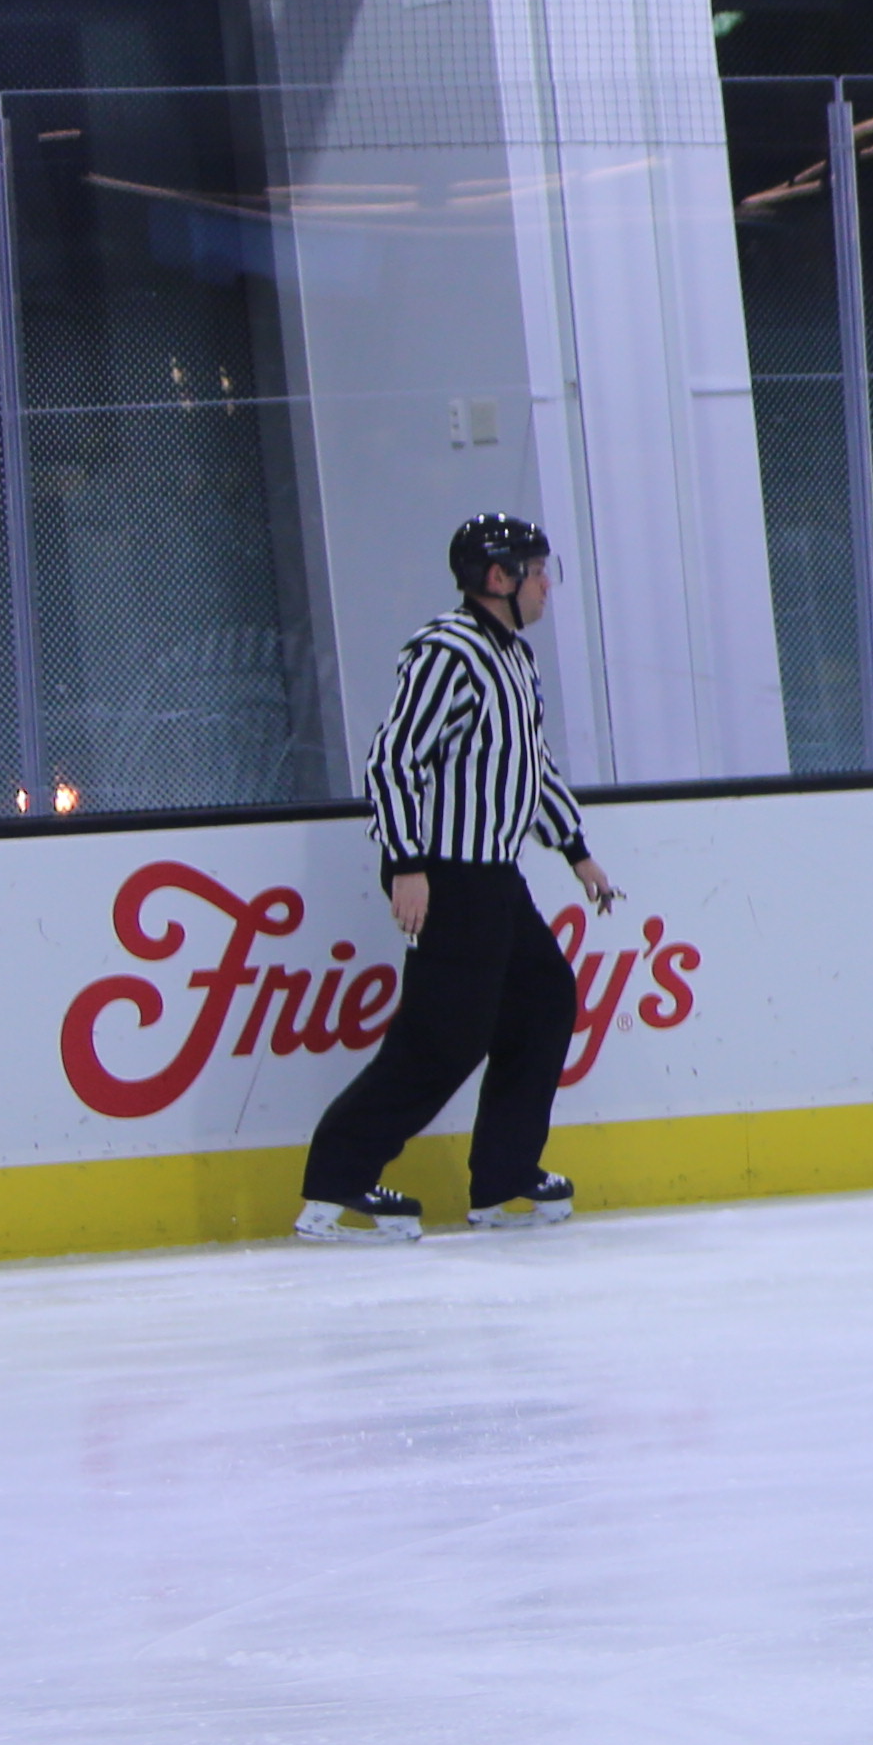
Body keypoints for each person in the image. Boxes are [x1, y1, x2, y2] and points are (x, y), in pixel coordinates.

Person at [294, 515, 619, 1243]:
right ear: (499, 579)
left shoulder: (514, 657)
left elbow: (527, 765)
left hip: (495, 875)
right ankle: (337, 1177)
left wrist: (576, 851)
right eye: (537, 571)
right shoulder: (449, 653)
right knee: (442, 1039)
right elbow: (393, 760)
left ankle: (503, 1175)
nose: (546, 585)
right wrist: (407, 864)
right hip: (449, 875)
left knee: (542, 1002)